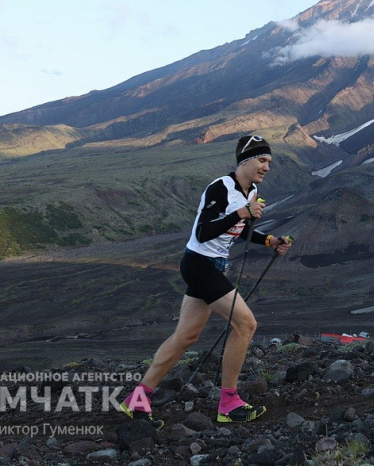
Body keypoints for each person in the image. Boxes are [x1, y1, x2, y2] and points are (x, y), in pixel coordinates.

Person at [122, 135, 293, 426]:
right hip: (199, 265)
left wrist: (269, 240)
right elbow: (203, 232)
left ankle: (137, 400)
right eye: (262, 160)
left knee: (185, 337)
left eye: (269, 162)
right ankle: (228, 403)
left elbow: (237, 231)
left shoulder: (250, 192)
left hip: (212, 266)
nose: (266, 167)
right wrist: (242, 213)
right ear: (246, 161)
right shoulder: (221, 187)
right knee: (246, 324)